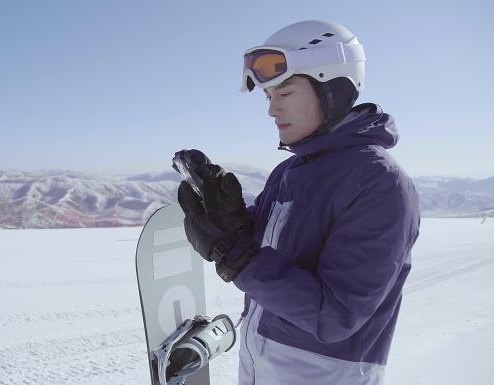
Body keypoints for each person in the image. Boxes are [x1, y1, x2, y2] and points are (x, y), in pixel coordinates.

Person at [177, 20, 420, 385]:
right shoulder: (289, 172)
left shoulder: (379, 183)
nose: (272, 111)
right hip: (260, 367)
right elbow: (264, 252)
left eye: (285, 94)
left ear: (332, 89)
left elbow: (334, 316)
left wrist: (235, 254)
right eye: (268, 97)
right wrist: (232, 222)